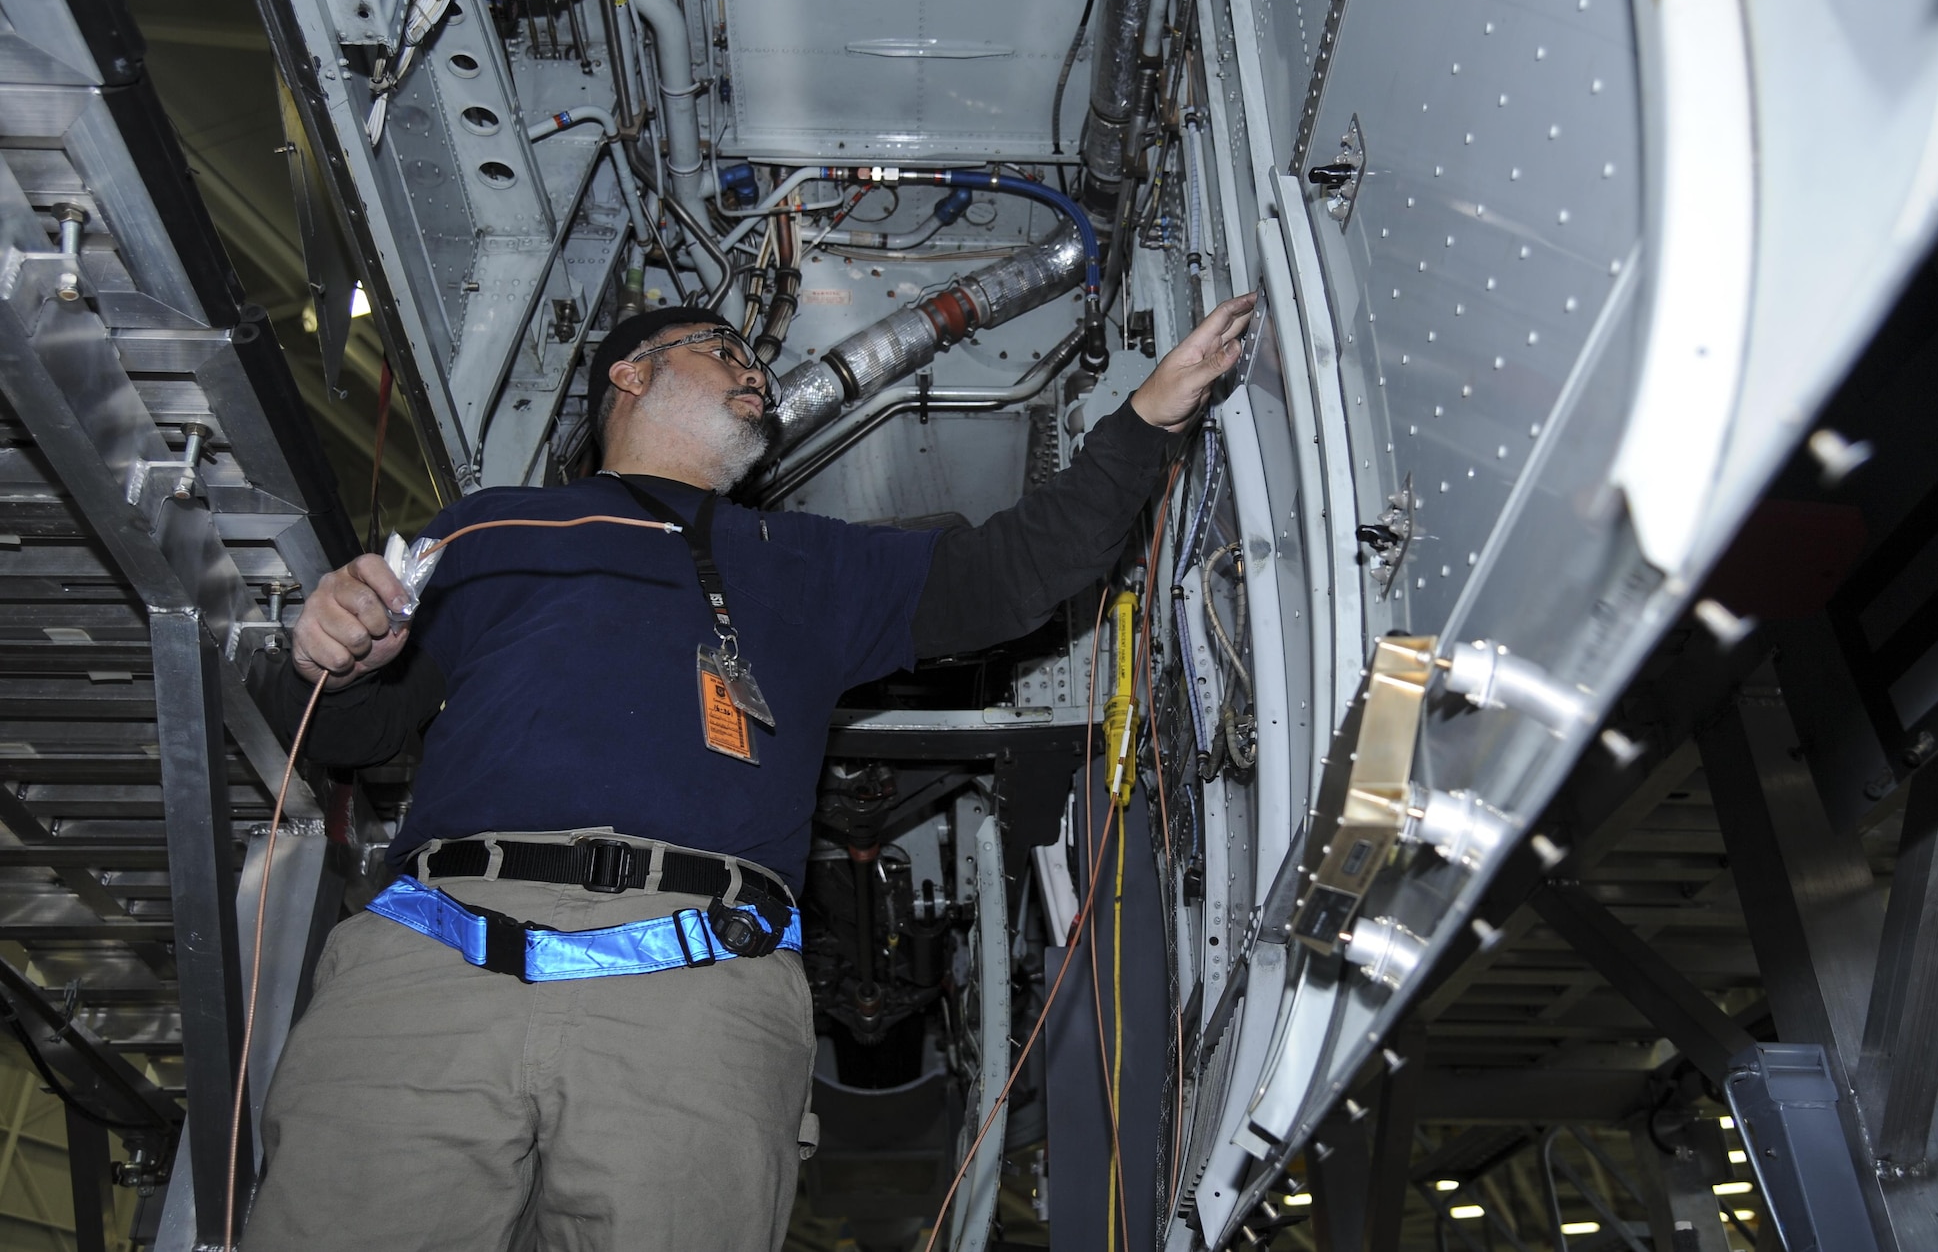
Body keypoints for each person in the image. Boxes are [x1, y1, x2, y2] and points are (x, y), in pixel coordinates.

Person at [245, 290, 1257, 1251]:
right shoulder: (486, 528)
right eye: (724, 349)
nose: (757, 376)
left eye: (757, 363)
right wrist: (326, 656)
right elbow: (350, 734)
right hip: (433, 963)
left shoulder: (805, 560)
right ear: (629, 373)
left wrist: (1146, 421)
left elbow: (1008, 576)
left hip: (694, 993)